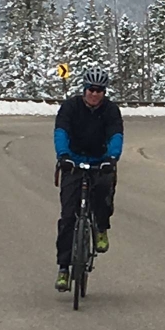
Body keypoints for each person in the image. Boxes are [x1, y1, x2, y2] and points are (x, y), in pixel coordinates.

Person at [54, 67, 124, 291]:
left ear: (104, 92)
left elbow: (116, 134)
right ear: (84, 89)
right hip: (72, 162)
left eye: (99, 90)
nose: (95, 94)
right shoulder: (70, 107)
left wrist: (112, 158)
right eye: (91, 90)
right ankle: (64, 269)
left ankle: (101, 227)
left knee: (104, 196)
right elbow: (61, 132)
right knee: (67, 217)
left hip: (99, 162)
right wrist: (63, 156)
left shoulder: (111, 110)